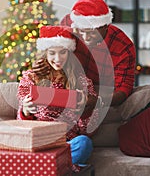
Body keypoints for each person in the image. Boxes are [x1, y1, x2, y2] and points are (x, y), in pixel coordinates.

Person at [17, 25, 99, 172]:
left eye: (63, 53)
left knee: (84, 143)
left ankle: (45, 169)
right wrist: (26, 111)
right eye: (52, 53)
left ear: (69, 53)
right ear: (45, 53)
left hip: (67, 142)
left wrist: (84, 109)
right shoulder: (31, 77)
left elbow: (88, 130)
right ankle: (59, 168)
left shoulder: (81, 81)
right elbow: (21, 124)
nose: (57, 58)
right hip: (39, 141)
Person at [33, 0, 136, 107]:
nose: (86, 38)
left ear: (106, 26)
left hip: (105, 92)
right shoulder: (69, 25)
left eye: (92, 32)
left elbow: (123, 90)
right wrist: (41, 64)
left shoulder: (123, 46)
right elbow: (53, 52)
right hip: (71, 85)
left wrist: (97, 101)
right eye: (82, 31)